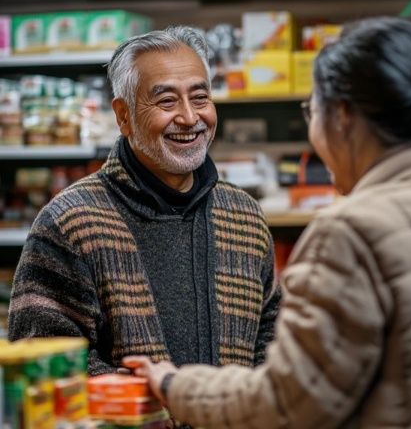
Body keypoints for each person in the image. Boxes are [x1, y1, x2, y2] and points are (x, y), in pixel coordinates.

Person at [123, 17, 411, 428]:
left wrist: (172, 384)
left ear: (341, 115)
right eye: (167, 101)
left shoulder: (350, 232)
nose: (188, 117)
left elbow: (287, 406)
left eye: (313, 110)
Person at [8, 26, 280, 377]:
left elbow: (271, 341)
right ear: (123, 115)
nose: (189, 117)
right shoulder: (70, 222)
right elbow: (42, 363)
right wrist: (146, 402)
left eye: (200, 97)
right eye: (167, 101)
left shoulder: (244, 216)